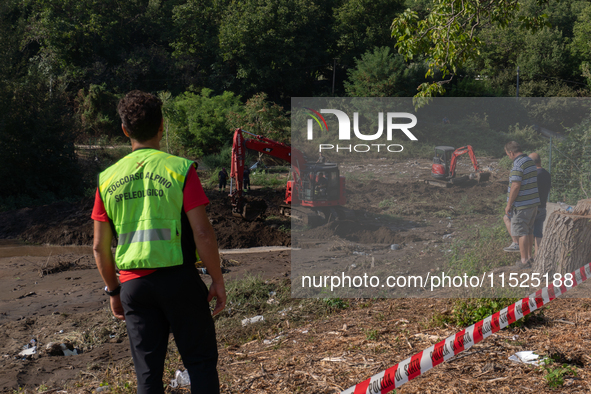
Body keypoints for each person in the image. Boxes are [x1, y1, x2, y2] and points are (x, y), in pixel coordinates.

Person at [92, 90, 226, 394]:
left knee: (148, 377)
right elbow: (203, 233)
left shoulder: (107, 179)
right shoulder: (180, 170)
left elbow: (99, 247)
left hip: (134, 288)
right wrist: (216, 279)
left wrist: (114, 291)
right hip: (179, 281)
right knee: (201, 364)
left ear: (125, 130)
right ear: (162, 126)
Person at [504, 141, 540, 268]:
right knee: (529, 231)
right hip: (533, 203)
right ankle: (530, 258)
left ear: (511, 152)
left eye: (508, 154)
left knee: (521, 233)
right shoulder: (530, 161)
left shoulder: (518, 164)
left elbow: (515, 185)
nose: (509, 157)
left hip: (522, 205)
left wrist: (509, 204)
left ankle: (524, 261)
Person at [529, 152, 551, 256]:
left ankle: (527, 258)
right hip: (542, 207)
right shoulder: (547, 174)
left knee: (528, 233)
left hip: (532, 208)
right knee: (538, 233)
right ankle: (537, 257)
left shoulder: (532, 176)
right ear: (540, 161)